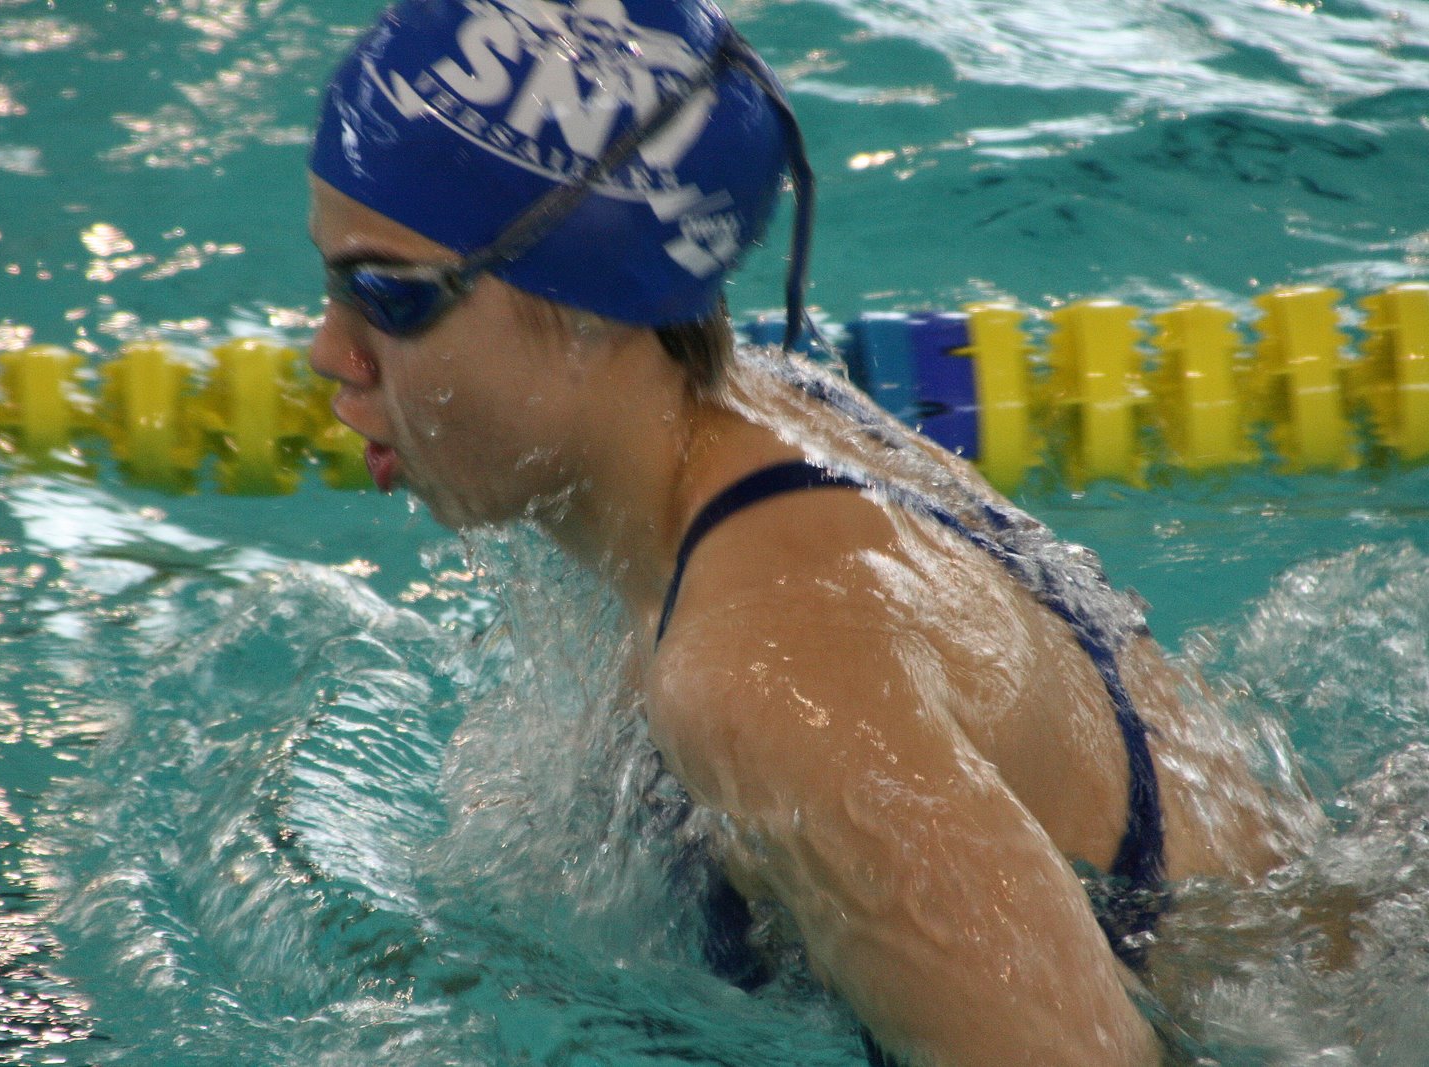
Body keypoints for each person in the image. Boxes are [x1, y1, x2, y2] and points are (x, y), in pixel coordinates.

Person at [305, 1, 1305, 1063]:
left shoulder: (765, 674)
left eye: (387, 295)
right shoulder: (773, 414)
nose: (330, 350)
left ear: (596, 292)